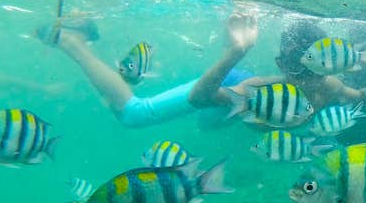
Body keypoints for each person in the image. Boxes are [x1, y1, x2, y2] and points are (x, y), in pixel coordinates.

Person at [37, 12, 258, 128]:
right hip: (228, 84)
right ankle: (72, 42)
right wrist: (235, 53)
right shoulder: (266, 90)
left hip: (226, 93)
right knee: (134, 114)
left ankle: (84, 32)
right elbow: (200, 98)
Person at [189, 19, 366, 117]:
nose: (308, 75)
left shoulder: (329, 86)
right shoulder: (261, 90)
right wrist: (236, 52)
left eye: (318, 65)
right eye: (296, 64)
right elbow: (198, 99)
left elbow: (360, 96)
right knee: (208, 123)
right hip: (232, 84)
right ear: (281, 65)